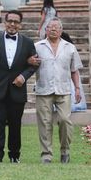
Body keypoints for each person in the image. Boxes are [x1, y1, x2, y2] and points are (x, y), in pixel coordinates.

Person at [0, 10, 39, 163]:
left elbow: (35, 64)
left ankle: (14, 155)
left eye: (16, 21)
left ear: (20, 24)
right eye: (10, 21)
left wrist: (23, 76)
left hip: (17, 91)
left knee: (15, 124)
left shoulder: (27, 42)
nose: (12, 24)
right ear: (5, 23)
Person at [34, 18, 83, 163]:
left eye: (56, 27)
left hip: (64, 90)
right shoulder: (37, 46)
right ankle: (46, 155)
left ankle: (65, 152)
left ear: (61, 30)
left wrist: (78, 88)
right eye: (50, 27)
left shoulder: (69, 47)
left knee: (64, 120)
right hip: (43, 89)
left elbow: (74, 70)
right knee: (44, 122)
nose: (53, 29)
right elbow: (30, 64)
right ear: (46, 30)